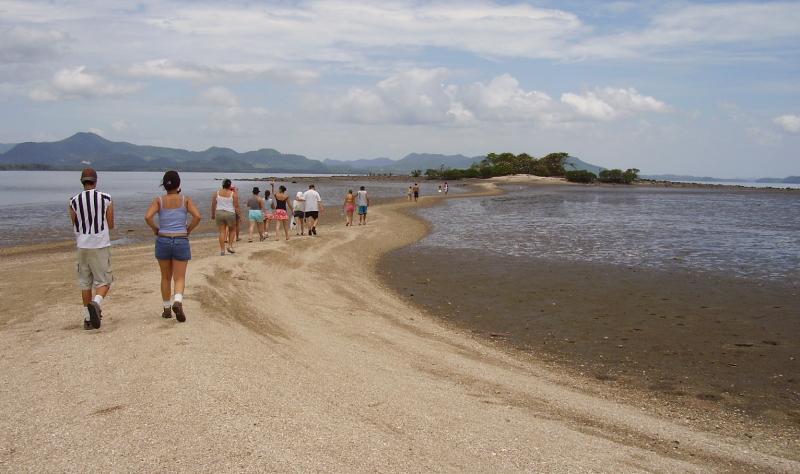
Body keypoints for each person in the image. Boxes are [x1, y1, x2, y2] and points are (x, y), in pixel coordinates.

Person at [144, 171, 201, 322]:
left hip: (163, 239)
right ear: (179, 184)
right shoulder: (185, 200)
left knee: (165, 277)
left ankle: (166, 308)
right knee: (180, 277)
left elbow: (147, 216)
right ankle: (178, 300)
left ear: (164, 185)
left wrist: (155, 229)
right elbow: (198, 216)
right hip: (181, 240)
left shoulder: (159, 200)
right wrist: (188, 230)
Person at [68, 168, 114, 330]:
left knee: (85, 283)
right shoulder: (106, 198)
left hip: (82, 245)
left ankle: (88, 319)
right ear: (95, 181)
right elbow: (111, 224)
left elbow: (74, 222)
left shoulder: (73, 201)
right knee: (105, 281)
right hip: (100, 244)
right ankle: (96, 303)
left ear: (82, 181)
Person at [211, 179, 239, 255]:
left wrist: (213, 214)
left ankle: (222, 250)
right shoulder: (233, 194)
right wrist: (239, 215)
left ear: (222, 185)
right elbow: (236, 206)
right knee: (232, 230)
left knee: (221, 232)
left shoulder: (216, 193)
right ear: (230, 186)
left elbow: (213, 204)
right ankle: (230, 246)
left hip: (219, 212)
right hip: (230, 213)